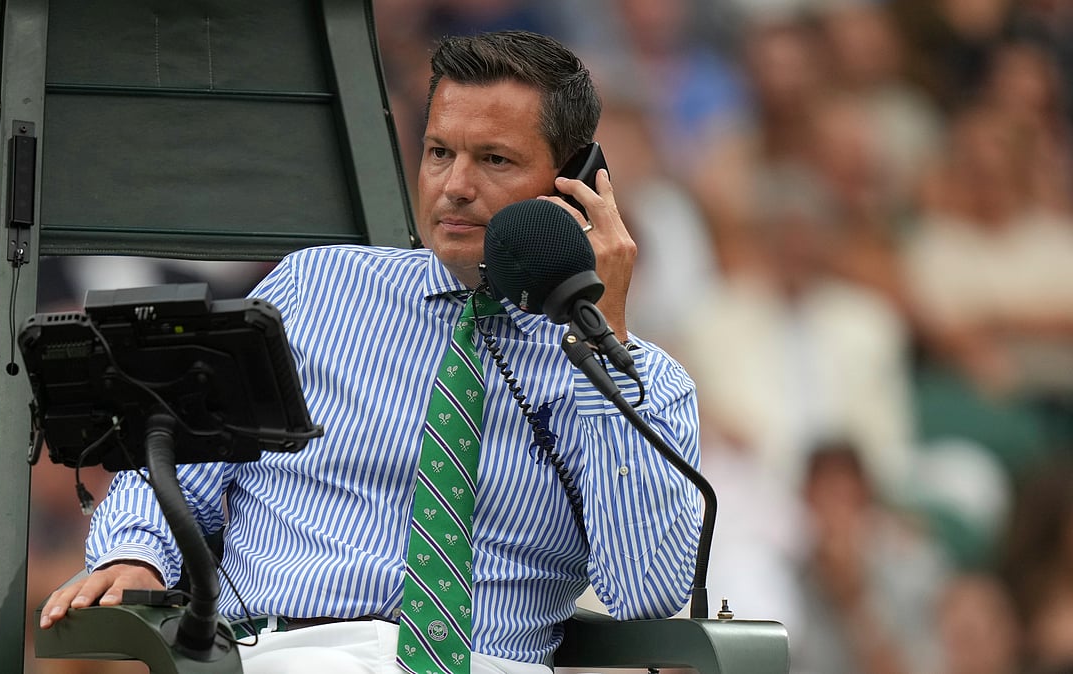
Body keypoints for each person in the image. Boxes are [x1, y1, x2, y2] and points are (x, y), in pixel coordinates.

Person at [39, 30, 703, 674]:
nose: (455, 186)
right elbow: (180, 461)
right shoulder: (314, 289)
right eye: (440, 152)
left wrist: (601, 343)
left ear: (575, 180)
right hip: (290, 656)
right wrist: (135, 556)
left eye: (494, 159)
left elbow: (645, 590)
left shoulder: (643, 381)